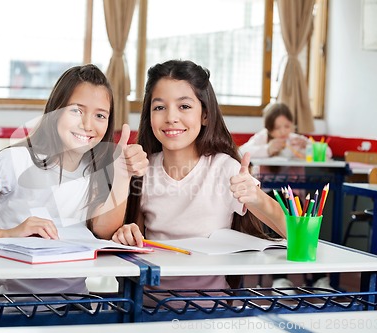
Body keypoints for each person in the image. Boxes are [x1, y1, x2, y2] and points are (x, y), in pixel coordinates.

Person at [0, 64, 148, 297]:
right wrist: (10, 234)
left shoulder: (95, 170)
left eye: (100, 115)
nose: (88, 124)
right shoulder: (14, 160)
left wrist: (123, 174)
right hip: (8, 305)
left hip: (74, 303)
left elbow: (104, 232)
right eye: (76, 110)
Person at [111, 60, 286, 298]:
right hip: (150, 306)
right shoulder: (143, 167)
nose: (171, 117)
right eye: (159, 107)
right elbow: (134, 239)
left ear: (205, 115)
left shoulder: (224, 167)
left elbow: (292, 232)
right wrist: (126, 233)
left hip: (210, 307)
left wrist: (256, 198)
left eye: (184, 106)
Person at [239, 102, 332, 293]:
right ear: (269, 128)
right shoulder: (262, 138)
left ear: (293, 126)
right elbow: (241, 152)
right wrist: (267, 148)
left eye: (287, 126)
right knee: (277, 212)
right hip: (270, 200)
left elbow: (327, 153)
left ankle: (319, 278)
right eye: (277, 128)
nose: (282, 132)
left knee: (311, 223)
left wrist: (309, 146)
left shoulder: (297, 140)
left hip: (298, 201)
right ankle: (280, 279)